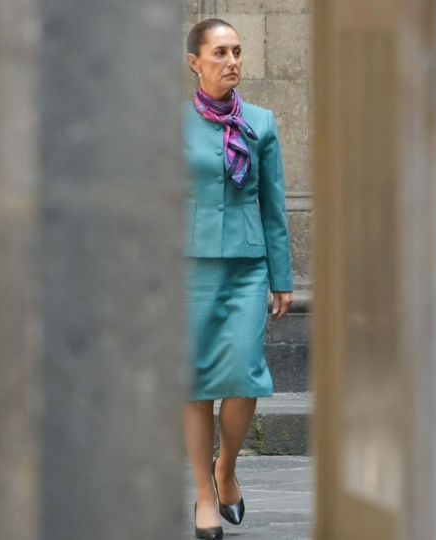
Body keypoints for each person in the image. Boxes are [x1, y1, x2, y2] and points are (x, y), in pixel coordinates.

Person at [183, 18, 294, 540]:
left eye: (238, 51)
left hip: (249, 266)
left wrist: (282, 276)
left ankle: (226, 466)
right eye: (221, 52)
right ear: (196, 63)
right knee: (196, 382)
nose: (232, 61)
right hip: (190, 267)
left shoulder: (262, 123)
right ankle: (204, 493)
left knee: (245, 373)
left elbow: (273, 206)